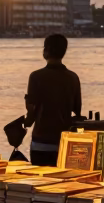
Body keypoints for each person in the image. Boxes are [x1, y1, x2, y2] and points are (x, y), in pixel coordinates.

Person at [24, 33, 81, 167]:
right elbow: (77, 110)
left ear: (46, 50)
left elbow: (32, 110)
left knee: (40, 178)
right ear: (64, 52)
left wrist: (25, 122)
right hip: (64, 141)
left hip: (41, 141)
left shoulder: (36, 77)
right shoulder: (73, 77)